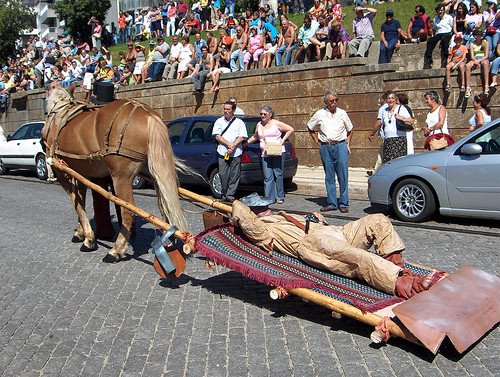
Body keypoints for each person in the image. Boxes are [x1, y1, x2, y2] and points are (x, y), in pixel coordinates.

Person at [232, 194, 438, 299]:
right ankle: (407, 285)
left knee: (378, 220)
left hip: (334, 232)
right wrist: (234, 203)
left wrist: (315, 218)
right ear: (254, 213)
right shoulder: (262, 231)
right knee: (358, 257)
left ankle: (395, 265)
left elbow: (308, 220)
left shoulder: (281, 215)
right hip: (313, 244)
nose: (267, 209)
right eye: (261, 208)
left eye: (266, 206)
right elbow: (243, 215)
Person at [307, 91, 353, 214]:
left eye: (336, 100)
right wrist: (316, 140)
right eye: (332, 101)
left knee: (343, 175)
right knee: (329, 176)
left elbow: (350, 129)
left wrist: (347, 143)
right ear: (326, 102)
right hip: (326, 147)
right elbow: (310, 127)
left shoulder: (342, 113)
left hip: (340, 146)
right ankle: (332, 203)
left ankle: (343, 203)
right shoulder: (320, 114)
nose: (334, 103)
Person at [244, 105, 294, 204]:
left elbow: (290, 129)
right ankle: (269, 197)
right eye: (261, 114)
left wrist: (282, 140)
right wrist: (245, 144)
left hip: (277, 153)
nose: (262, 116)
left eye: (264, 114)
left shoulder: (276, 123)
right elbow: (255, 137)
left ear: (270, 114)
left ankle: (279, 196)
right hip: (265, 154)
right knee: (268, 177)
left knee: (278, 174)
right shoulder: (259, 125)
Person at [212, 101, 248, 202]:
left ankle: (230, 195)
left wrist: (233, 146)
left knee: (234, 175)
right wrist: (229, 145)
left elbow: (242, 137)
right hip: (223, 152)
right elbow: (217, 136)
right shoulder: (219, 121)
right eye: (225, 109)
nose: (226, 111)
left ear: (233, 110)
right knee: (223, 174)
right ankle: (224, 193)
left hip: (236, 152)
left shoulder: (239, 122)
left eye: (228, 109)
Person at [368, 91, 414, 164]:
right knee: (388, 163)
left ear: (395, 99)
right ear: (386, 100)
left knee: (398, 163)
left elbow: (411, 121)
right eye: (389, 98)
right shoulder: (385, 111)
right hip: (388, 140)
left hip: (399, 140)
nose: (390, 100)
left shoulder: (401, 109)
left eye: (392, 98)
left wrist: (402, 118)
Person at [423, 4, 454, 69]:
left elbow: (452, 26)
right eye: (439, 10)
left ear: (444, 11)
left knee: (444, 40)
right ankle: (429, 58)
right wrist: (433, 36)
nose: (440, 12)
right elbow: (434, 29)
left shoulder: (449, 18)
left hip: (447, 32)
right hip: (439, 33)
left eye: (441, 10)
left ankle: (445, 57)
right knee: (430, 41)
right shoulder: (435, 19)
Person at [367, 91, 390, 176]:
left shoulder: (383, 108)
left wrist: (372, 133)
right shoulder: (393, 108)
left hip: (386, 137)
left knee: (381, 155)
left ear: (383, 99)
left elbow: (378, 122)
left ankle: (377, 172)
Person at [465, 29, 490, 97]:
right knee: (467, 66)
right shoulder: (472, 43)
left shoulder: (486, 43)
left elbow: (486, 55)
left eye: (481, 34)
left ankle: (486, 85)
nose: (481, 35)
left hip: (483, 58)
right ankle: (467, 87)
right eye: (479, 34)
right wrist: (475, 61)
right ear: (475, 36)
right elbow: (472, 56)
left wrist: (479, 61)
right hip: (475, 58)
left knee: (485, 63)